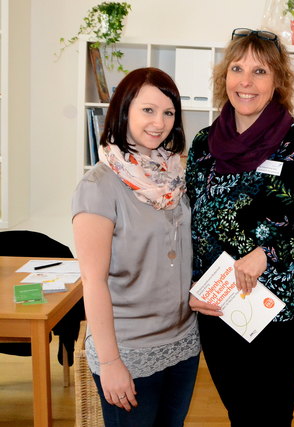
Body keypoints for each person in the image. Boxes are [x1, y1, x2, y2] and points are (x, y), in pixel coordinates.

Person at [186, 28, 294, 427]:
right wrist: (193, 287)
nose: (245, 81)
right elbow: (191, 224)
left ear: (278, 81)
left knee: (271, 416)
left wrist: (266, 254)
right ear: (224, 77)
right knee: (239, 413)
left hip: (278, 313)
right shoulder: (202, 146)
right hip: (216, 307)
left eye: (260, 71)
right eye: (237, 69)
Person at [72, 67, 200, 426]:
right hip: (128, 350)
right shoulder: (98, 186)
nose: (159, 122)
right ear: (124, 109)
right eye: (148, 110)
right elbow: (93, 281)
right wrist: (111, 363)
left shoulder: (175, 176)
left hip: (183, 342)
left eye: (168, 112)